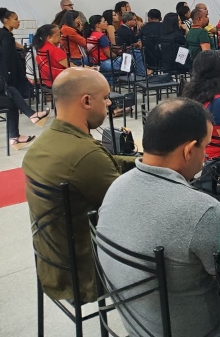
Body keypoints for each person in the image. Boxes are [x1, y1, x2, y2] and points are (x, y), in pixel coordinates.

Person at [97, 98, 220, 337]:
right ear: (189, 150)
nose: (206, 156)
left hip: (138, 326)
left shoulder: (117, 186)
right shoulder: (203, 211)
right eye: (206, 147)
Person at [22, 68, 136, 302]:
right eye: (105, 98)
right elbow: (131, 207)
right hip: (87, 275)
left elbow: (105, 162)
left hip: (53, 266)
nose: (109, 104)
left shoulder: (45, 143)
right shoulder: (85, 155)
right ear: (86, 101)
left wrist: (143, 162)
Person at [0, 8, 49, 148]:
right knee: (12, 98)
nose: (18, 21)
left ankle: (15, 136)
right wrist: (10, 77)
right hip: (7, 76)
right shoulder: (5, 36)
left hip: (5, 77)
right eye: (15, 19)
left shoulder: (5, 35)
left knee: (13, 100)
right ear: (6, 21)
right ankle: (30, 119)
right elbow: (7, 59)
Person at [115, 12, 149, 76]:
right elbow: (136, 43)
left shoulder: (119, 29)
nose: (136, 21)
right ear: (128, 21)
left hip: (120, 53)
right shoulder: (128, 32)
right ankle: (142, 71)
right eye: (134, 20)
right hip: (126, 53)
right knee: (138, 51)